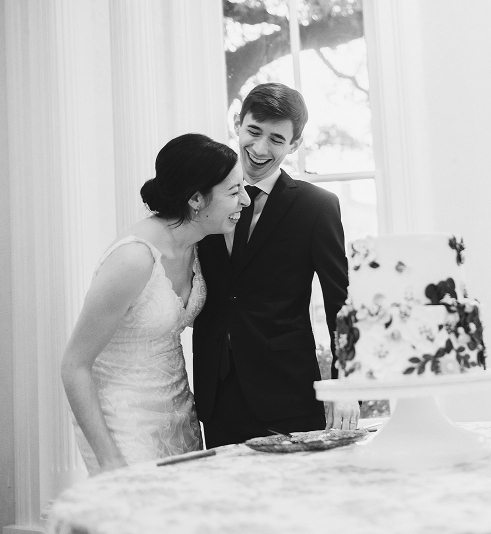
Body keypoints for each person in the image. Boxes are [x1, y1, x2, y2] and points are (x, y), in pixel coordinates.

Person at [61, 133, 250, 474]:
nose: (246, 200)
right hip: (123, 422)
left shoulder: (199, 245)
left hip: (179, 412)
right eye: (235, 191)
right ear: (196, 199)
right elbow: (74, 366)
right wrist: (108, 460)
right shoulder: (133, 259)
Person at [193, 82, 359, 448]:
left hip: (290, 391)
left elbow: (340, 302)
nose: (260, 148)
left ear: (295, 144)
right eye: (253, 131)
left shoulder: (317, 206)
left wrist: (347, 382)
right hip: (216, 391)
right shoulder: (202, 197)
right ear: (238, 123)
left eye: (277, 139)